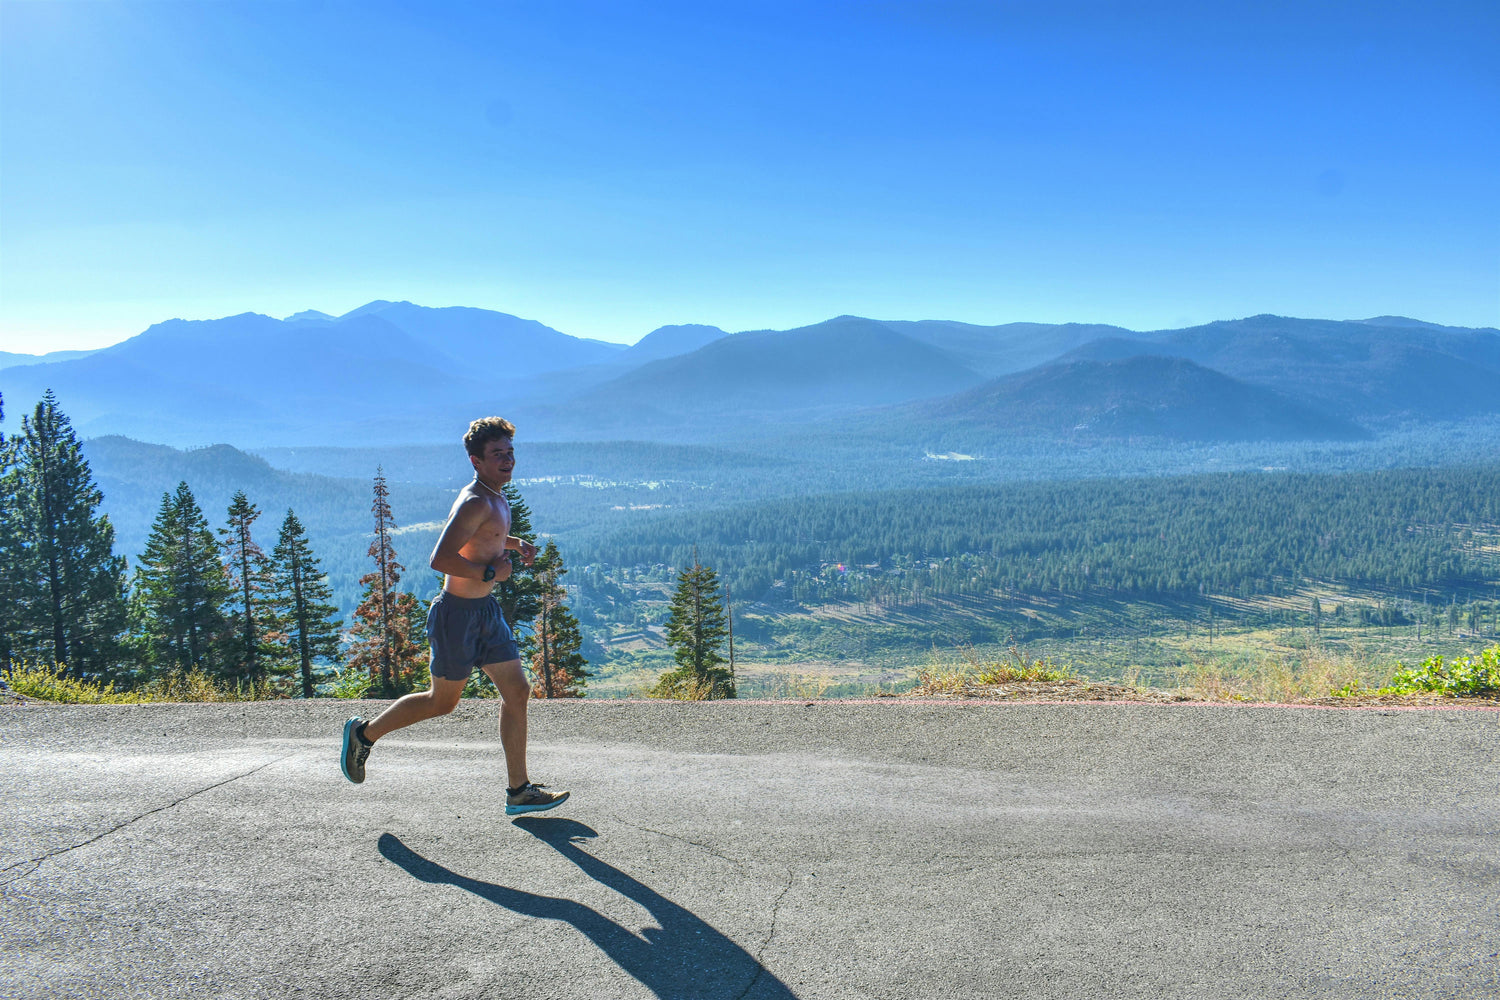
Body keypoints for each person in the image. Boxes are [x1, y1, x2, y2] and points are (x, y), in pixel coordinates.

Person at [340, 417, 569, 816]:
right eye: (497, 454)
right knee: (442, 703)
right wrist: (489, 573)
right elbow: (440, 558)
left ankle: (519, 791)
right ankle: (363, 735)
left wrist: (515, 545)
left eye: (510, 452)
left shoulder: (495, 495)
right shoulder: (476, 500)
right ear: (475, 460)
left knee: (517, 691)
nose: (508, 460)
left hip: (486, 612)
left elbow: (487, 537)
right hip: (456, 616)